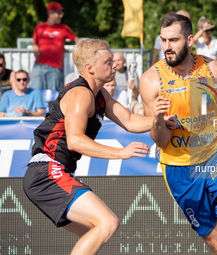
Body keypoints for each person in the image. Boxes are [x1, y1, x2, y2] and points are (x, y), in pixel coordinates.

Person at [23, 39, 176, 255]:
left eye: (113, 60)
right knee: (108, 223)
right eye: (108, 61)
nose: (114, 65)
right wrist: (121, 153)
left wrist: (160, 120)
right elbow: (75, 140)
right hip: (46, 172)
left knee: (96, 231)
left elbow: (130, 120)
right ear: (90, 68)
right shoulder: (80, 94)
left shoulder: (99, 94)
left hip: (51, 172)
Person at [140, 14, 217, 255]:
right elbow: (161, 141)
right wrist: (157, 120)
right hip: (179, 167)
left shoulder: (214, 69)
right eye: (163, 40)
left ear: (189, 40)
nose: (167, 47)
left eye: (173, 40)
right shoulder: (150, 80)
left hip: (214, 153)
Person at [30, 1, 81, 92]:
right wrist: (35, 46)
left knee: (54, 97)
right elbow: (34, 42)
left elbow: (77, 40)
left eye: (61, 13)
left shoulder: (64, 28)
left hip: (55, 68)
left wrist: (90, 46)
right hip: (39, 65)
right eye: (59, 13)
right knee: (36, 94)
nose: (61, 16)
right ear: (50, 14)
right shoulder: (39, 27)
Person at [113, 51, 144, 115]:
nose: (116, 63)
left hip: (130, 101)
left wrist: (133, 88)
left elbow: (136, 95)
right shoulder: (110, 73)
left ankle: (139, 124)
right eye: (114, 61)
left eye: (119, 60)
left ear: (124, 60)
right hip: (115, 100)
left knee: (141, 109)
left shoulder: (132, 73)